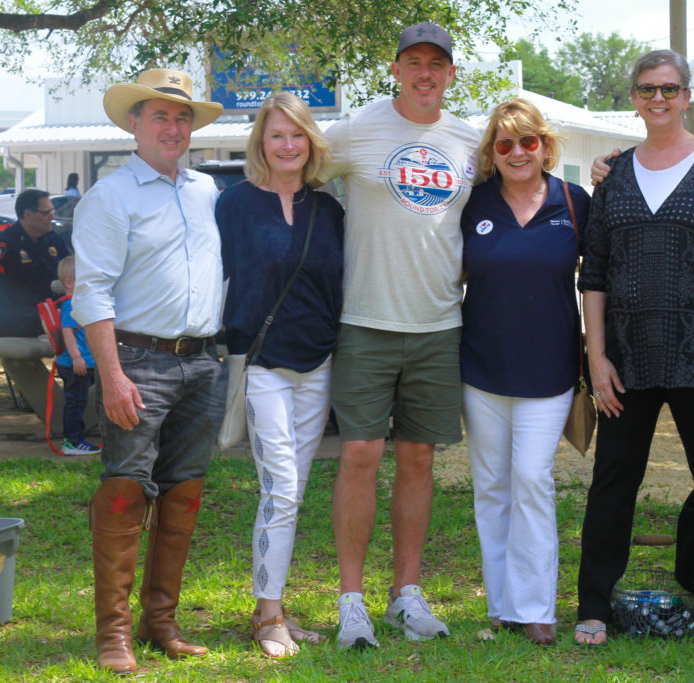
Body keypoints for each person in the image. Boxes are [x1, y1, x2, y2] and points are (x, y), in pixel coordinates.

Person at [575, 49, 694, 646]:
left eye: (669, 89)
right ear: (633, 97)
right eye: (648, 89)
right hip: (626, 360)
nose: (659, 99)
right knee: (612, 482)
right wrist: (597, 358)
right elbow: (594, 275)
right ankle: (593, 605)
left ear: (686, 97)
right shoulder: (613, 175)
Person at [312, 21, 480, 649]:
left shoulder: (469, 140)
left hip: (440, 325)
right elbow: (294, 171)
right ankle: (351, 601)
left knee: (418, 459)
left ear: (451, 74)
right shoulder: (356, 130)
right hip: (365, 321)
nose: (425, 73)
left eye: (437, 63)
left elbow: (523, 180)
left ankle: (405, 595)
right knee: (359, 454)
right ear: (396, 70)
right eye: (414, 62)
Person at [71, 68, 225, 674]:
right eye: (160, 116)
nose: (173, 127)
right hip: (136, 362)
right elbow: (92, 292)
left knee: (184, 491)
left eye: (182, 117)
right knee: (125, 488)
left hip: (203, 362)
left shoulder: (207, 191)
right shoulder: (110, 196)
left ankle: (160, 621)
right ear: (133, 124)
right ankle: (113, 634)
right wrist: (111, 377)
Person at [216, 92, 344, 658]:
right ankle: (268, 617)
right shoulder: (234, 205)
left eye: (297, 135)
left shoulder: (330, 209)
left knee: (295, 488)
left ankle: (274, 608)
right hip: (262, 363)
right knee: (282, 489)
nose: (288, 145)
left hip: (319, 363)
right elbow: (215, 276)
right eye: (276, 135)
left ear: (310, 142)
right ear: (261, 143)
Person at [460, 98, 589, 646]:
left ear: (545, 146)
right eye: (505, 143)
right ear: (492, 152)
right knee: (492, 487)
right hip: (481, 367)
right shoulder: (473, 203)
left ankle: (536, 607)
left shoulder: (574, 202)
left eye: (528, 141)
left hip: (550, 367)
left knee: (532, 480)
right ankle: (502, 605)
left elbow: (598, 283)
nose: (517, 152)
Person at [0, 189, 70, 337]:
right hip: (19, 316)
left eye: (52, 211)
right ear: (28, 214)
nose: (52, 217)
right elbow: (9, 289)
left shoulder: (52, 239)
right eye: (46, 213)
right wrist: (48, 310)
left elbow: (70, 269)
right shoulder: (6, 244)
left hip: (52, 310)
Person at [55, 255, 101, 456]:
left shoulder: (79, 302)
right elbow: (67, 331)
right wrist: (76, 357)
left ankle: (76, 440)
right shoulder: (72, 304)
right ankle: (72, 442)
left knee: (79, 401)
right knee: (76, 403)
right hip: (76, 365)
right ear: (69, 283)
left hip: (83, 363)